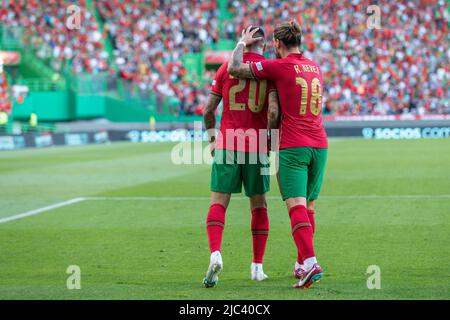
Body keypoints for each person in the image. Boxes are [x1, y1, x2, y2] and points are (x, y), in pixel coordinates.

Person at [228, 21, 328, 289]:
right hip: (320, 144)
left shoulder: (281, 66)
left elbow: (234, 68)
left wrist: (241, 43)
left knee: (295, 205)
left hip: (294, 145)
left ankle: (310, 263)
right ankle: (300, 264)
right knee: (308, 207)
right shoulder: (315, 67)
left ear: (278, 44)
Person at [202, 26, 278, 288]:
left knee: (219, 203)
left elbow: (208, 111)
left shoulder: (226, 67)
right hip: (257, 146)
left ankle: (215, 253)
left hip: (228, 143)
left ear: (245, 43)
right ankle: (257, 267)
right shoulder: (269, 70)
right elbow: (272, 114)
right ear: (265, 46)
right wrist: (270, 142)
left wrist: (213, 142)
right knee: (259, 205)